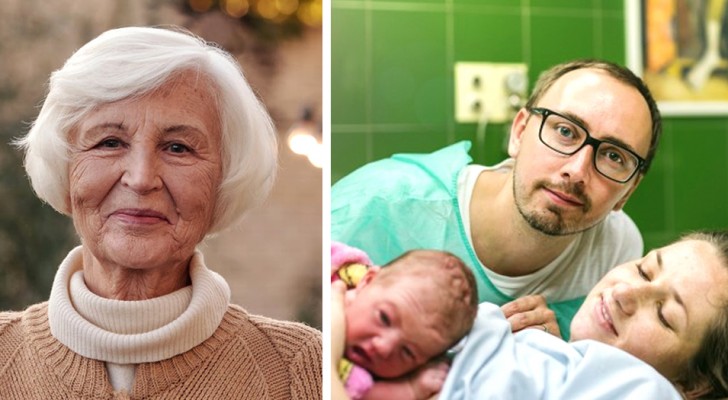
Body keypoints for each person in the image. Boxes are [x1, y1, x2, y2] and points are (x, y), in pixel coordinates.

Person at [0, 26, 321, 399]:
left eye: (178, 147)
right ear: (65, 167)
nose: (140, 179)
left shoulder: (300, 369)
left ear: (224, 179)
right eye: (109, 142)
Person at [331, 59, 662, 339]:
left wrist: (560, 350)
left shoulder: (616, 251)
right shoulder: (374, 207)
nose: (577, 170)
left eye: (614, 157)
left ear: (629, 191)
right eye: (564, 131)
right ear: (519, 133)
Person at [332, 231, 728, 399]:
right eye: (644, 269)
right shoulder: (540, 351)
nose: (624, 293)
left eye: (664, 315)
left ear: (690, 388)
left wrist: (330, 365)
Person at [331, 241, 478, 400]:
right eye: (384, 318)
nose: (383, 347)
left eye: (407, 352)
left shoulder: (370, 382)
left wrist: (410, 389)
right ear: (367, 281)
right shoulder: (334, 271)